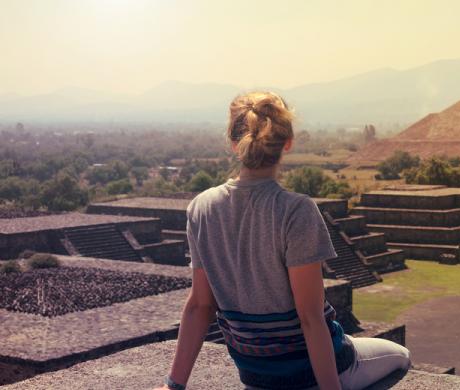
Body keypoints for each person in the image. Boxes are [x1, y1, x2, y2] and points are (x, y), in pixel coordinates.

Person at [155, 91, 410, 390]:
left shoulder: (202, 207)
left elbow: (200, 306)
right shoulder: (295, 209)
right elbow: (310, 318)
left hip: (256, 376)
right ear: (287, 143)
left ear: (235, 144)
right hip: (313, 374)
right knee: (401, 355)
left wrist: (174, 385)